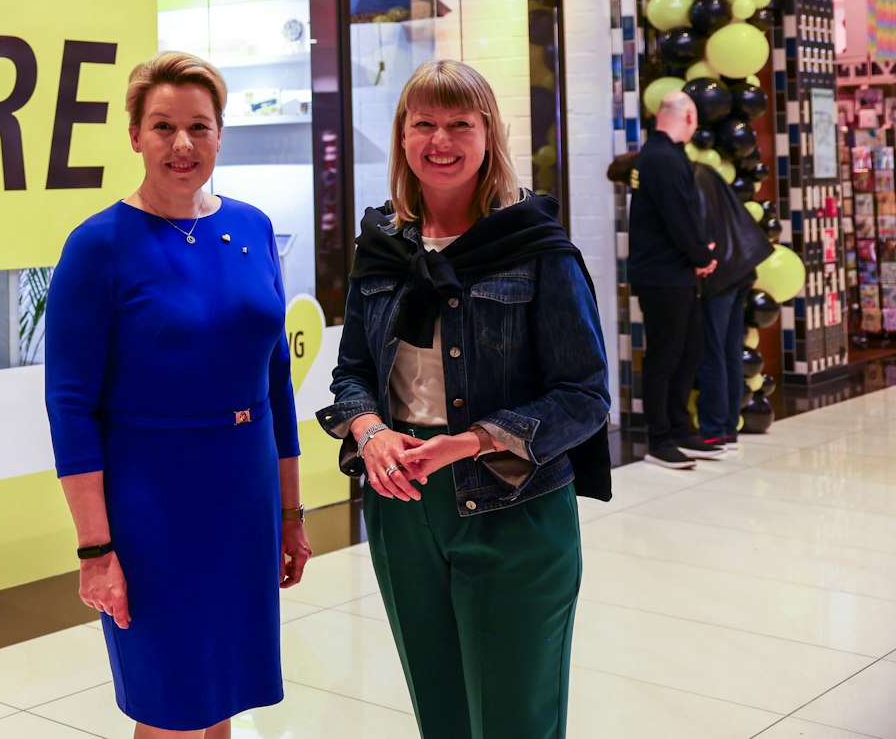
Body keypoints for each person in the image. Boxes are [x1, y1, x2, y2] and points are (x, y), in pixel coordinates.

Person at [318, 60, 610, 739]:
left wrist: (474, 439)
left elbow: (585, 395)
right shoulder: (382, 246)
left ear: (489, 136)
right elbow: (352, 370)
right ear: (401, 136)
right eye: (424, 123)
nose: (440, 139)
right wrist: (368, 429)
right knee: (441, 712)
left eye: (460, 124)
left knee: (513, 720)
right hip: (403, 511)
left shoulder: (537, 248)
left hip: (514, 507)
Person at [46, 51, 310, 739]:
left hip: (244, 496)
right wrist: (94, 547)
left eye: (199, 126)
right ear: (134, 133)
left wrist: (291, 509)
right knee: (170, 703)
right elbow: (69, 406)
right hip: (153, 504)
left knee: (219, 691)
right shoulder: (97, 246)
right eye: (163, 125)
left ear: (222, 133)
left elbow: (276, 380)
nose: (182, 144)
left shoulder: (252, 228)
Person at [628, 92, 722, 468]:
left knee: (690, 351)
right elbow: (677, 216)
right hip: (661, 275)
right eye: (695, 119)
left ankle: (681, 429)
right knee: (665, 357)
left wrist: (698, 253)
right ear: (687, 116)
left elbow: (682, 215)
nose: (696, 126)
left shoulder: (666, 154)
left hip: (677, 272)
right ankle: (659, 438)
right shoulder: (662, 157)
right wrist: (701, 254)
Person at [691, 162, 771, 453]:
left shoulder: (690, 179)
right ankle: (727, 429)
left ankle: (714, 430)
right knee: (730, 351)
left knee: (713, 352)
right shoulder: (707, 172)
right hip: (743, 268)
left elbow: (698, 231)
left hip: (721, 275)